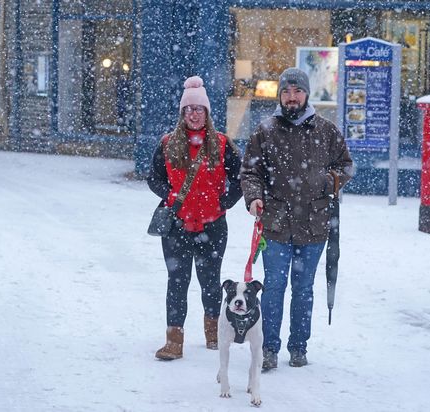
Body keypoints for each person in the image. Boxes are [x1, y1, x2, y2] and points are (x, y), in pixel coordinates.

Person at [240, 67, 353, 369]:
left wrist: (328, 182)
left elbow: (346, 166)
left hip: (314, 225)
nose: (292, 97)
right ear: (280, 95)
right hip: (276, 224)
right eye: (287, 92)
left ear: (306, 94)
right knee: (274, 288)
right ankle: (268, 348)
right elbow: (250, 171)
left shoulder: (326, 131)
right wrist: (254, 197)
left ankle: (299, 347)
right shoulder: (265, 130)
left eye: (297, 91)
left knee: (303, 289)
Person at [148, 75, 242, 360]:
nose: (193, 113)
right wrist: (170, 195)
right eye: (188, 109)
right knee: (177, 280)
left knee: (210, 280)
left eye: (198, 109)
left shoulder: (223, 144)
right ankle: (174, 340)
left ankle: (213, 333)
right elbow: (153, 178)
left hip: (213, 226)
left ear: (207, 113)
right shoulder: (167, 143)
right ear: (182, 113)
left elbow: (240, 179)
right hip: (177, 226)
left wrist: (224, 201)